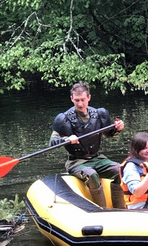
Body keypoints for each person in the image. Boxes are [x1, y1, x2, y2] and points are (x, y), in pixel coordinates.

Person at [50, 81, 126, 209]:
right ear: (71, 99)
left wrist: (118, 128)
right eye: (77, 100)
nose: (80, 104)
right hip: (77, 162)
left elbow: (109, 134)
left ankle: (120, 209)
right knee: (92, 175)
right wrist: (67, 139)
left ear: (89, 98)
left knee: (121, 170)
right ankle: (101, 211)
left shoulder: (99, 114)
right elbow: (52, 142)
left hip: (97, 159)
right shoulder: (63, 119)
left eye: (83, 100)